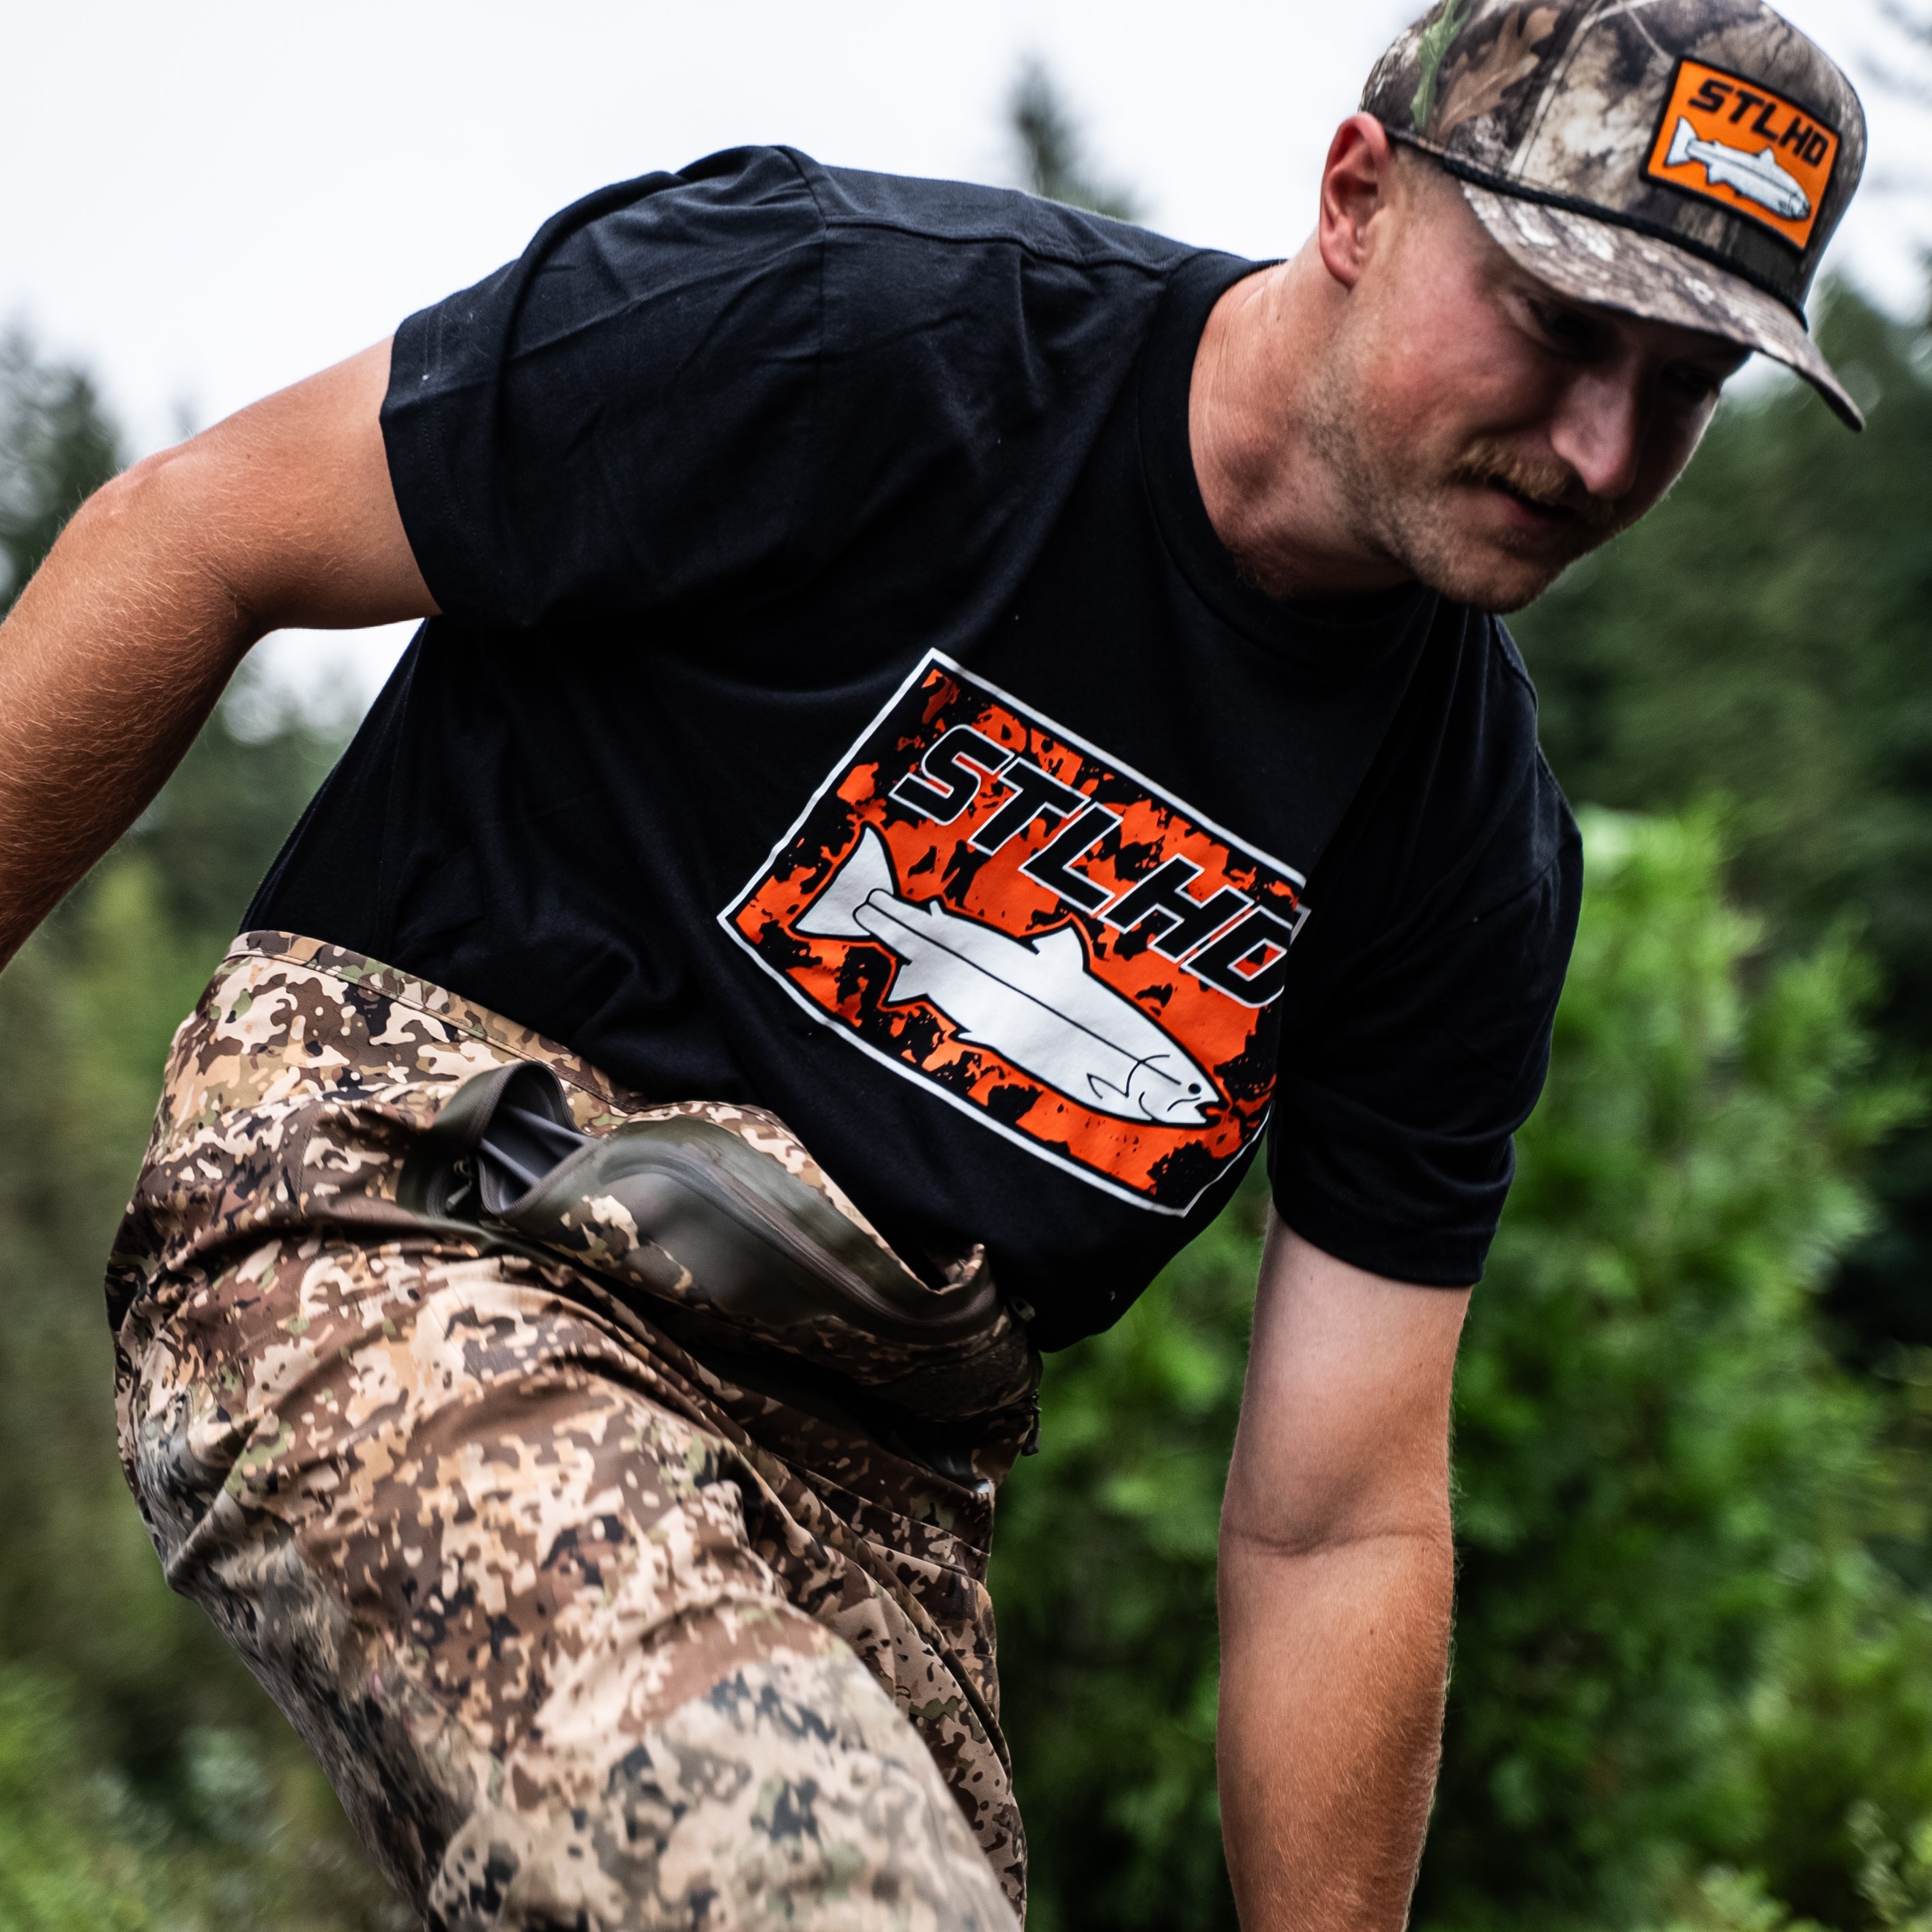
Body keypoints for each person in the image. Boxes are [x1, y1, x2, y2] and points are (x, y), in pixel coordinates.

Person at [0, 0, 1867, 1924]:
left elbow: (1338, 1522)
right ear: (1357, 198)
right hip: (424, 1209)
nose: (1600, 449)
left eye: (1686, 385)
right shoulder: (843, 329)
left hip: (870, 1459)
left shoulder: (1465, 842)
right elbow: (195, 532)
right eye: (1557, 325)